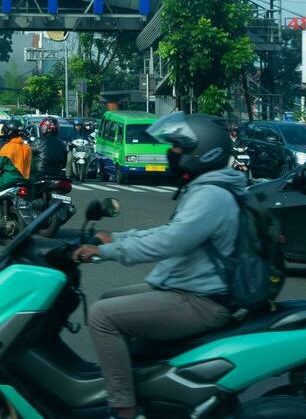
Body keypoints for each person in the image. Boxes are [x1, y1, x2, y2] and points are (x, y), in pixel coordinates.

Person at [72, 113, 245, 419]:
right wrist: (115, 237)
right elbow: (169, 232)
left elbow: (169, 243)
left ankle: (123, 408)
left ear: (203, 152)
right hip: (188, 287)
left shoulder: (212, 195)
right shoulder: (208, 188)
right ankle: (146, 382)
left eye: (179, 148)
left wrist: (107, 252)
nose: (172, 153)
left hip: (201, 300)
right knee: (110, 300)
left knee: (101, 317)